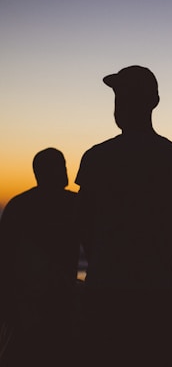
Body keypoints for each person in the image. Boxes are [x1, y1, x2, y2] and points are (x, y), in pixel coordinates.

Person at [75, 65, 172, 366]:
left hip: (107, 287)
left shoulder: (97, 157)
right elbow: (170, 219)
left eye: (124, 97)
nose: (119, 105)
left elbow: (84, 224)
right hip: (158, 286)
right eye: (118, 97)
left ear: (151, 102)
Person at [0, 148, 79, 367]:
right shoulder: (74, 204)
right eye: (61, 165)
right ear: (44, 171)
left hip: (36, 298)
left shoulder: (18, 204)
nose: (65, 170)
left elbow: (4, 258)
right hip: (39, 299)